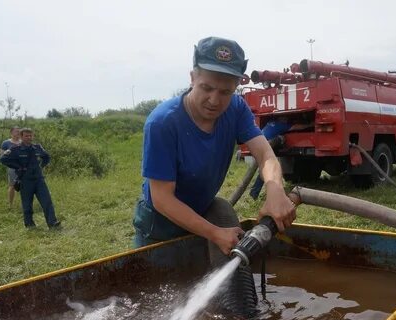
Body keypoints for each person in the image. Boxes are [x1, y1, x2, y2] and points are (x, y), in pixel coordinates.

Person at [133, 36, 295, 256]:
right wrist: (214, 232)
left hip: (203, 215)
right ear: (192, 78)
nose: (214, 100)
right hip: (160, 227)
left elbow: (264, 152)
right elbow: (162, 199)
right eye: (206, 88)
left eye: (225, 92)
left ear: (236, 87)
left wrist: (275, 191)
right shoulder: (162, 123)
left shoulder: (236, 109)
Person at [0, 128, 61, 228]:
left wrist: (41, 165)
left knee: (47, 201)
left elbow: (46, 157)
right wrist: (18, 166)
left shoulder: (37, 147)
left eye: (30, 135)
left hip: (39, 179)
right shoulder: (15, 149)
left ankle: (52, 223)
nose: (29, 137)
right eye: (26, 136)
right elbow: (3, 159)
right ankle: (29, 225)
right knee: (27, 204)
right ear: (21, 137)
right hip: (25, 180)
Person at [249, 117, 312, 200]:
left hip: (257, 144)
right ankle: (254, 194)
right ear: (282, 119)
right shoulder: (282, 125)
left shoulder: (271, 122)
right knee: (267, 170)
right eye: (286, 119)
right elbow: (297, 127)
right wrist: (310, 124)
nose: (287, 120)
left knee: (264, 169)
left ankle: (255, 193)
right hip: (265, 147)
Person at [0, 126, 21, 207]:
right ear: (11, 133)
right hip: (12, 168)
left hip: (23, 167)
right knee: (12, 185)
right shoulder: (6, 143)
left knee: (25, 185)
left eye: (19, 132)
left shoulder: (22, 142)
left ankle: (25, 204)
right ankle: (10, 204)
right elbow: (2, 156)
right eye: (16, 131)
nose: (18, 133)